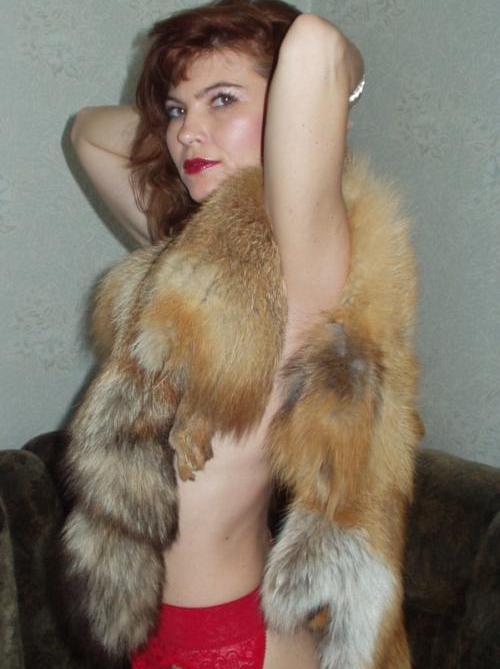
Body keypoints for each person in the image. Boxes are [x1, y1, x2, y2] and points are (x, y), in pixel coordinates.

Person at [69, 0, 364, 667]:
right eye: (176, 110)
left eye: (222, 99)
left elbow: (315, 44)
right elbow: (88, 131)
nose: (185, 134)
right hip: (145, 625)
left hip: (232, 640)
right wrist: (203, 120)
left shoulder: (303, 260)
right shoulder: (192, 261)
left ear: (288, 110)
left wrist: (339, 92)